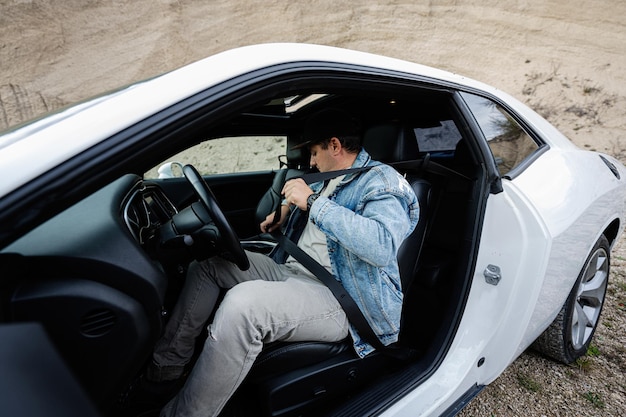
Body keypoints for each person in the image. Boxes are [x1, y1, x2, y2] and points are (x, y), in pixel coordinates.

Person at [149, 108, 420, 417]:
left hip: (342, 297)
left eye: (315, 152)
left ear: (335, 145)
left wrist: (314, 203)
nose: (312, 162)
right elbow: (319, 221)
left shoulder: (384, 183)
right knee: (209, 264)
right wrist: (286, 215)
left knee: (244, 306)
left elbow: (381, 246)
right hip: (289, 269)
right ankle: (165, 371)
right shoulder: (325, 179)